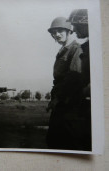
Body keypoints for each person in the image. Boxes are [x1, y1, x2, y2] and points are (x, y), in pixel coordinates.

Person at [46, 17, 84, 150]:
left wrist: (59, 99)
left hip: (69, 106)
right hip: (59, 104)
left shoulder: (76, 49)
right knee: (53, 141)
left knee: (66, 144)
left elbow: (73, 79)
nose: (56, 34)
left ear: (69, 31)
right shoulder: (63, 51)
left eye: (60, 31)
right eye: (54, 32)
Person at [68, 9, 91, 151]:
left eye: (76, 24)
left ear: (87, 24)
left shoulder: (97, 46)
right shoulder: (87, 47)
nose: (74, 29)